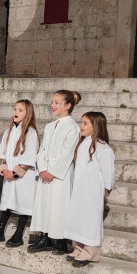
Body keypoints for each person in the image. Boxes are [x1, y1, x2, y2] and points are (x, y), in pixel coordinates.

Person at [28, 90, 81, 254]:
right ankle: (45, 236)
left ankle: (60, 241)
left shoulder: (73, 127)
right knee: (44, 204)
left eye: (58, 102)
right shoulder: (50, 126)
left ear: (68, 105)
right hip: (46, 172)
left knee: (59, 205)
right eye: (52, 102)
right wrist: (43, 168)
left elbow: (67, 152)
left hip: (60, 174)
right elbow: (42, 149)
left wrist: (53, 171)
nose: (53, 105)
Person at [65, 112, 115, 267]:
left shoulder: (102, 148)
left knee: (90, 219)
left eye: (85, 123)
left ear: (96, 126)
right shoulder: (82, 144)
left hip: (92, 189)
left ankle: (90, 251)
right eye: (81, 122)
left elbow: (108, 170)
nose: (81, 126)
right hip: (79, 188)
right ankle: (78, 247)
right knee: (78, 217)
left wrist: (107, 187)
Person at [0, 99, 39, 247]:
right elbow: (2, 153)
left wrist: (15, 174)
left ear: (28, 113)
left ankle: (19, 234)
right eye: (15, 109)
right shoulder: (8, 131)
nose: (16, 112)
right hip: (9, 175)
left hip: (23, 177)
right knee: (6, 202)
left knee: (24, 202)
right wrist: (4, 168)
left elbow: (30, 157)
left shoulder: (30, 133)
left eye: (20, 110)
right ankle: (0, 230)